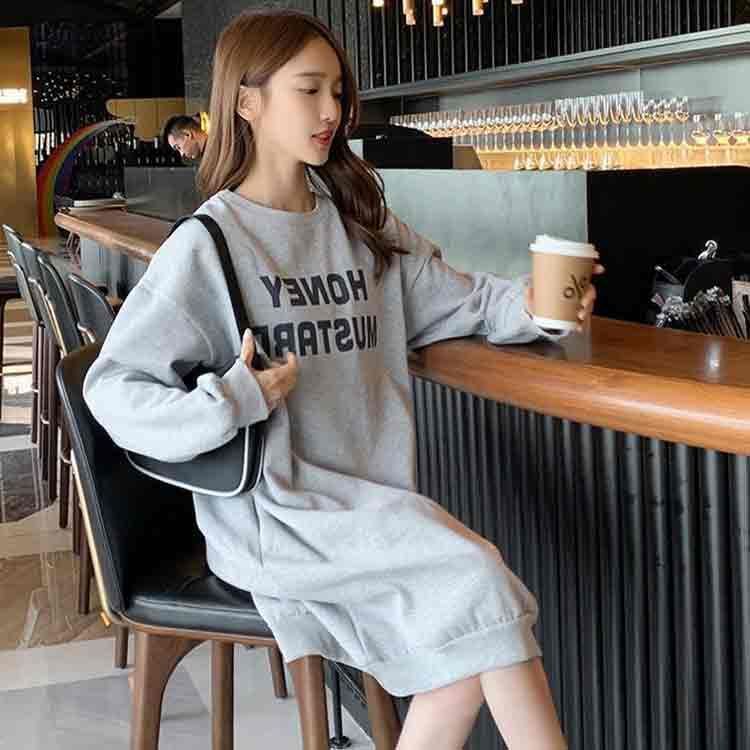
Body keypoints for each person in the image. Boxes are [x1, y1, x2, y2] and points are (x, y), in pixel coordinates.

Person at [84, 9, 602, 750]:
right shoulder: (210, 244)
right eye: (308, 90)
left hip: (373, 503)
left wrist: (537, 306)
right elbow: (113, 390)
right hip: (278, 519)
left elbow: (455, 297)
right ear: (247, 102)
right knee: (479, 581)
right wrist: (231, 399)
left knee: (467, 649)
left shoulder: (357, 221)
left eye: (337, 90)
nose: (331, 111)